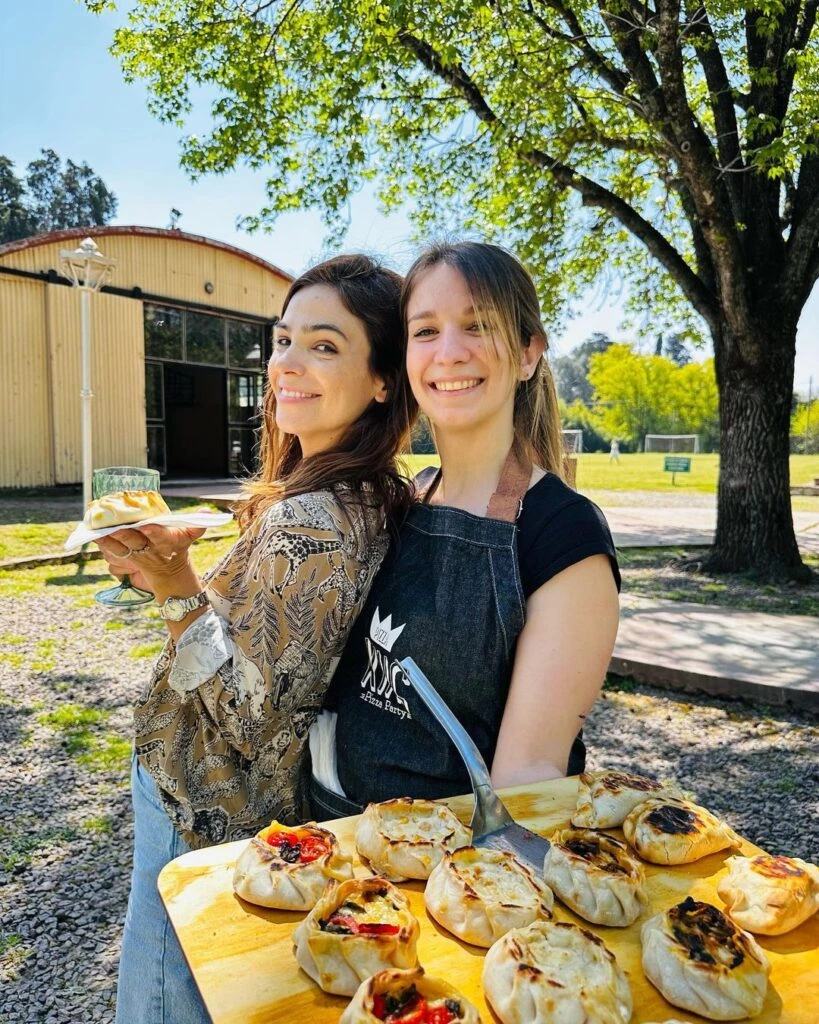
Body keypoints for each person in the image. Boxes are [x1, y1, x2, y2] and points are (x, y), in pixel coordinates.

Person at [95, 254, 416, 1024]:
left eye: (325, 345)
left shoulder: (313, 519)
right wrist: (176, 575)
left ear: (382, 380)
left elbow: (248, 715)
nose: (287, 365)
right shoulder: (365, 492)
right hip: (240, 805)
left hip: (202, 797)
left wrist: (175, 590)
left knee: (162, 1002)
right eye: (281, 341)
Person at [308, 242, 620, 819]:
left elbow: (527, 783)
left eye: (477, 326)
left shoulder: (562, 535)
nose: (448, 353)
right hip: (331, 842)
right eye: (425, 331)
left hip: (450, 878)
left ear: (529, 354)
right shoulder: (403, 500)